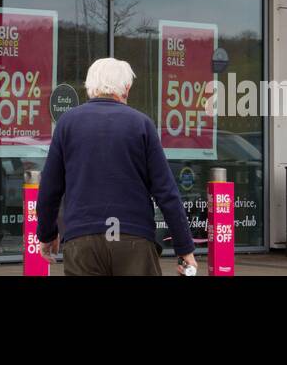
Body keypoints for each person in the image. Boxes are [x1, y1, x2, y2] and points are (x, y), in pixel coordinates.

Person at [36, 57, 198, 276]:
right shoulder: (141, 124)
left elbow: (50, 189)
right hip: (134, 239)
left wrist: (46, 235)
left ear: (89, 87)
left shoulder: (67, 123)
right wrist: (184, 248)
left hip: (83, 238)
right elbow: (166, 192)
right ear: (126, 88)